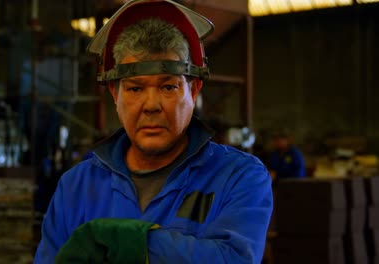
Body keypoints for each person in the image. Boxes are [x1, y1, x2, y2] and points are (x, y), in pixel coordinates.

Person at [34, 1, 273, 263]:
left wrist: (127, 241)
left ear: (193, 91)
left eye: (168, 87)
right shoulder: (76, 187)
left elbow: (234, 259)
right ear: (115, 94)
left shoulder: (238, 178)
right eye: (135, 89)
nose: (151, 106)